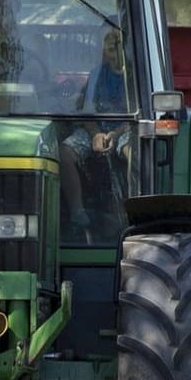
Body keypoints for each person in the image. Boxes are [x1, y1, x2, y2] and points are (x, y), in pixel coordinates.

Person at [60, 26, 132, 241]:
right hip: (97, 130)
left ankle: (133, 211)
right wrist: (96, 134)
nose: (112, 43)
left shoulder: (134, 77)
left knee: (133, 152)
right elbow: (87, 112)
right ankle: (78, 213)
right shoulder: (96, 74)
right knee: (65, 152)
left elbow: (138, 116)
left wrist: (115, 135)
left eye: (116, 39)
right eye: (108, 39)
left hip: (126, 129)